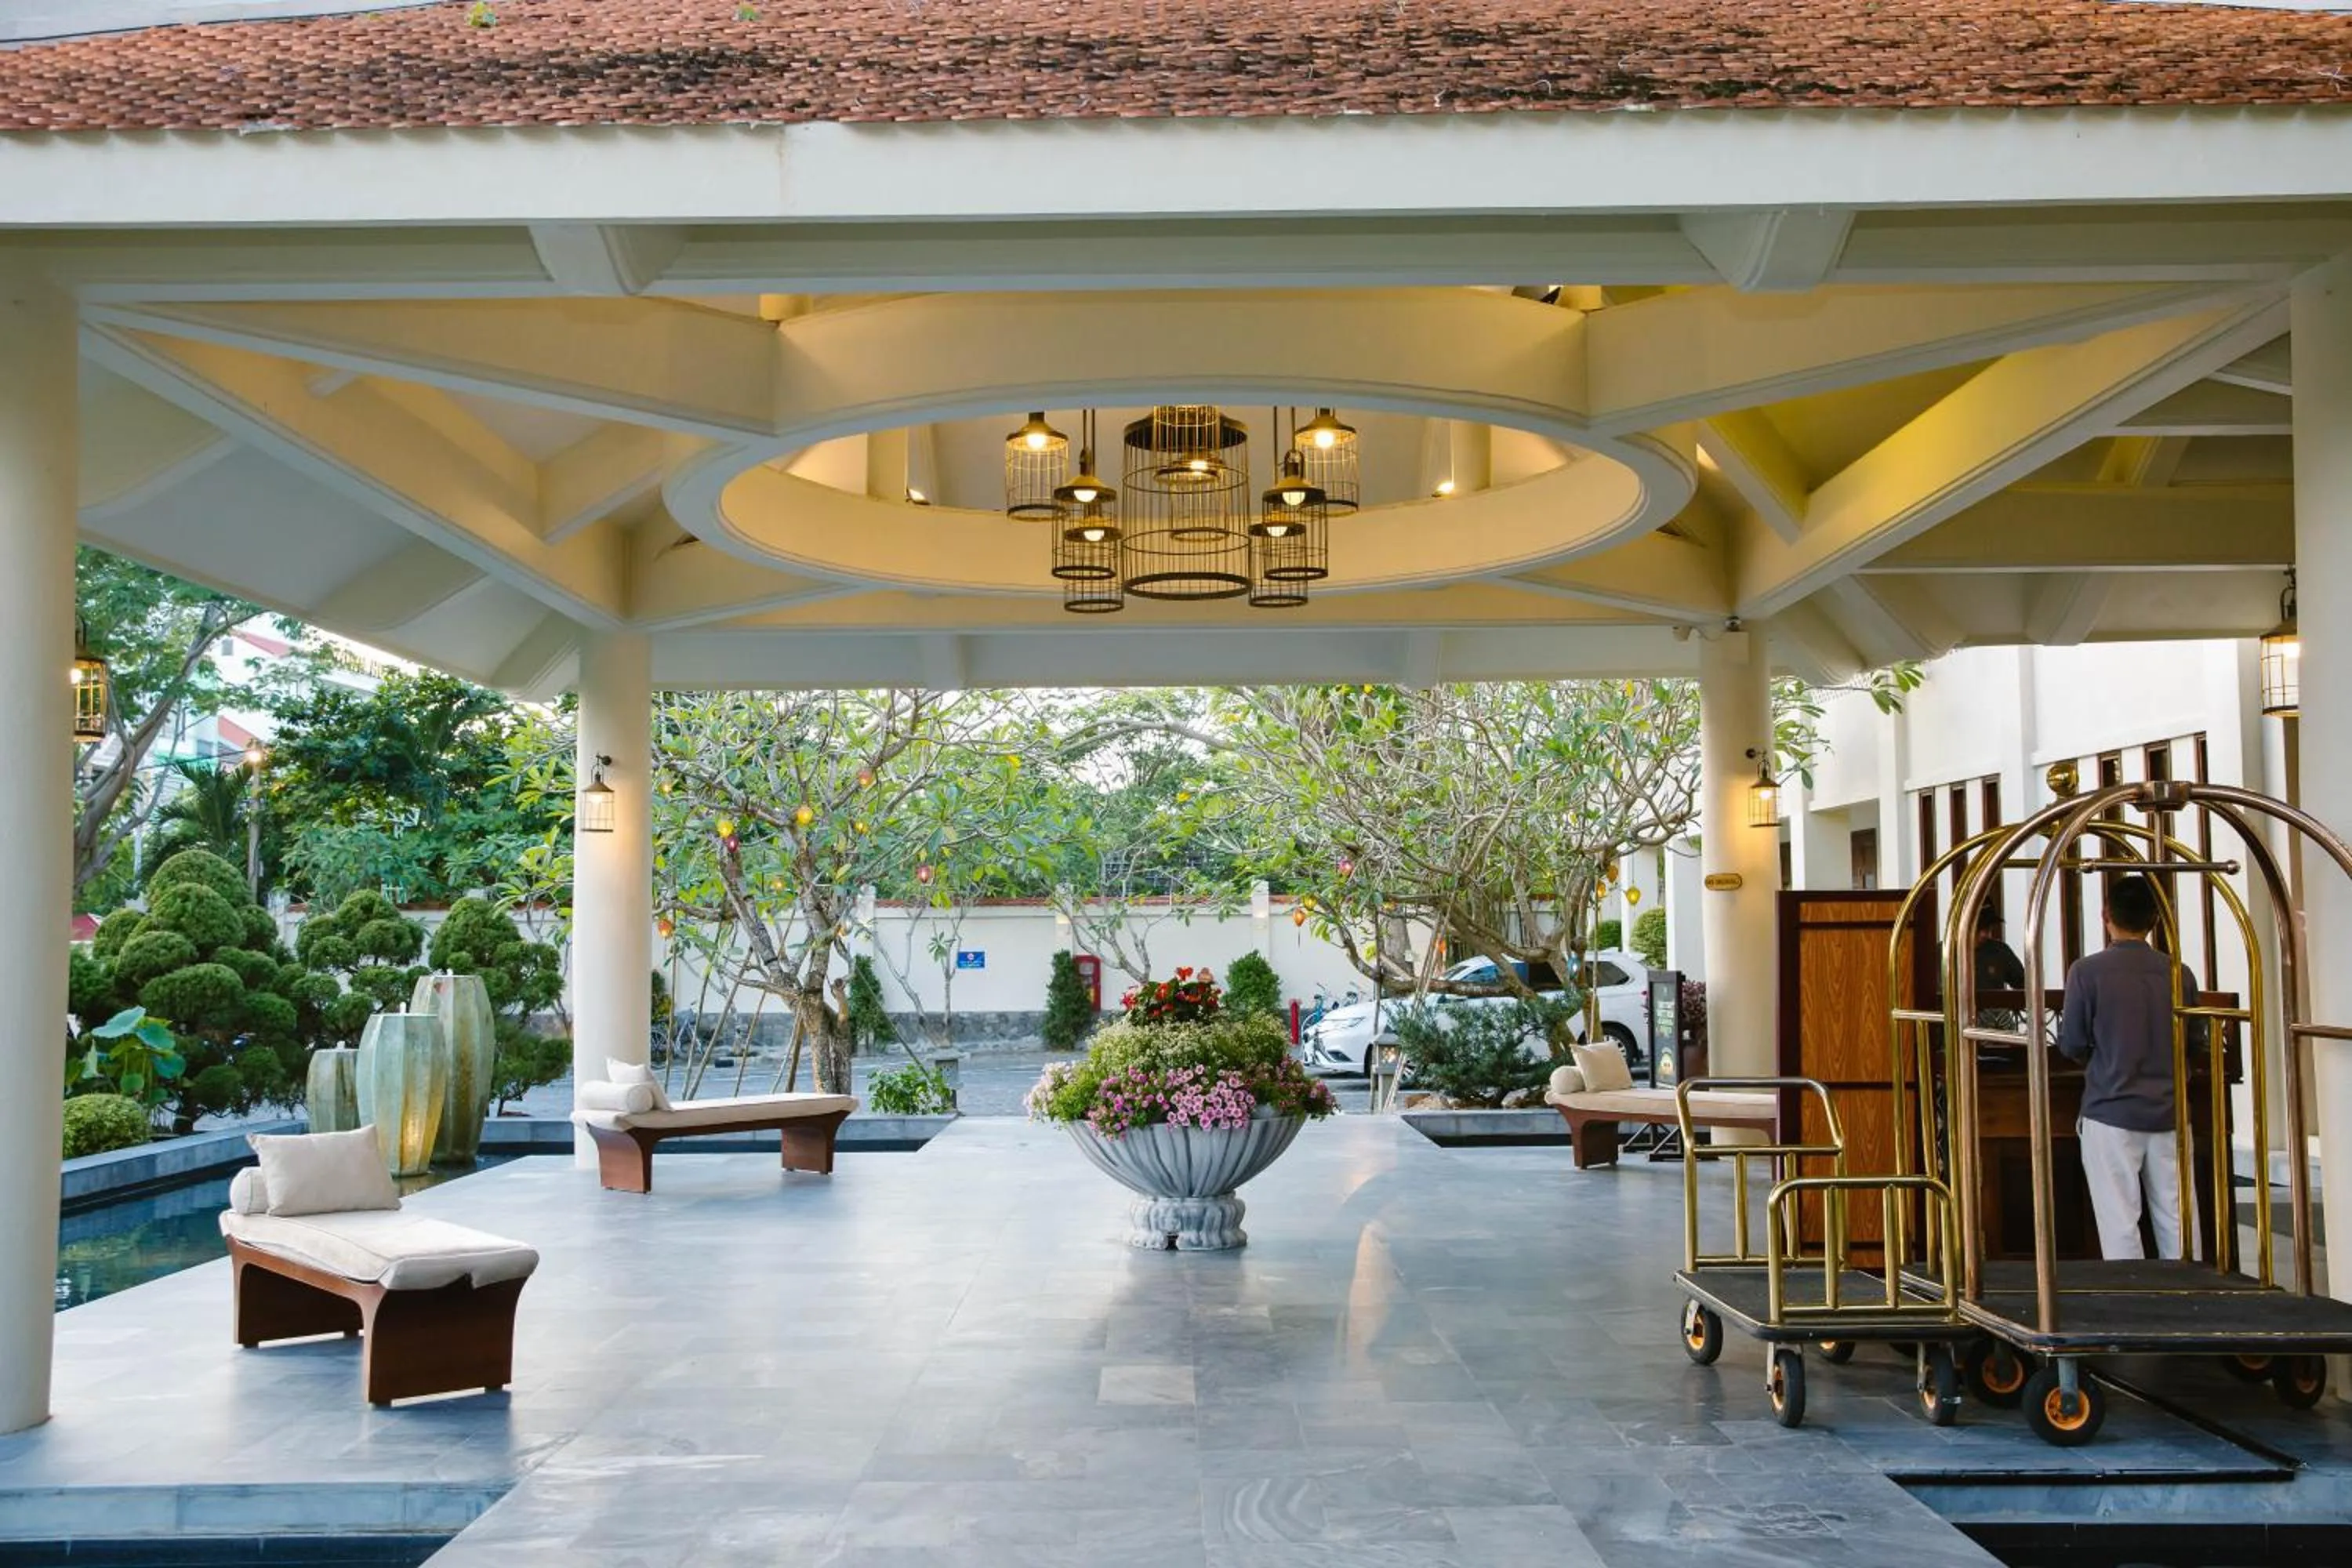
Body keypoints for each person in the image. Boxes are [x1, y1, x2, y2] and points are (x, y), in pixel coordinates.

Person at [2056, 874, 2202, 1261]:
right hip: (2171, 1110)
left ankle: (2131, 1302)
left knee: (2119, 1222)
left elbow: (2070, 1043)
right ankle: (2193, 1300)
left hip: (2111, 1108)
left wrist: (2103, 1059)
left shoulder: (2086, 973)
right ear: (2155, 919)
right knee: (2178, 1219)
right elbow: (2195, 1043)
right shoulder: (2179, 973)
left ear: (2106, 915)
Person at [1973, 906, 2027, 1036]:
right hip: (1958, 1025)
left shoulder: (1999, 951)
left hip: (1997, 1026)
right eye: (1982, 929)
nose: (1986, 934)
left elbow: (2022, 981)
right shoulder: (1946, 953)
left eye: (1989, 929)